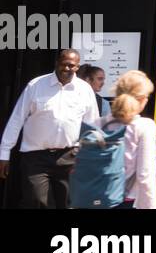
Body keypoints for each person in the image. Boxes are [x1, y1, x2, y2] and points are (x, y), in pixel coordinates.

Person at [0, 49, 99, 208]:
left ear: (77, 67)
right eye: (64, 64)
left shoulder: (84, 90)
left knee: (67, 203)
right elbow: (16, 119)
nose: (67, 69)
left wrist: (92, 157)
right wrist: (4, 153)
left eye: (72, 66)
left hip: (69, 157)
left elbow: (92, 125)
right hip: (35, 157)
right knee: (36, 202)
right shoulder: (36, 85)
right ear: (56, 63)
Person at [96, 70, 156, 209]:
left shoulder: (97, 123)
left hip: (94, 197)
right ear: (142, 99)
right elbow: (145, 174)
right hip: (125, 200)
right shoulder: (144, 126)